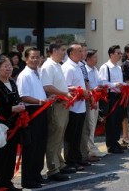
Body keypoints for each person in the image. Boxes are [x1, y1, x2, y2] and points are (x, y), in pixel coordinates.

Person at [0, 56, 26, 191]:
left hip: (15, 124)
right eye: (5, 66)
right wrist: (12, 109)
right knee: (1, 154)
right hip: (1, 125)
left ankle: (8, 181)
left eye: (10, 66)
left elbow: (17, 98)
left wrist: (19, 106)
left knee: (11, 153)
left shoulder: (12, 82)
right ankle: (1, 183)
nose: (9, 69)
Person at [41, 42, 75, 181]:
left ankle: (60, 164)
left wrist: (68, 91)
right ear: (53, 51)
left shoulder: (57, 65)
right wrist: (64, 93)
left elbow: (58, 85)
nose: (64, 53)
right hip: (56, 105)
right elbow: (47, 86)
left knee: (59, 137)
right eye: (62, 50)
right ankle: (53, 169)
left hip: (63, 104)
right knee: (54, 138)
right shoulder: (48, 66)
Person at [17, 47, 49, 188]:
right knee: (31, 146)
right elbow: (23, 96)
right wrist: (39, 101)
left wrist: (47, 98)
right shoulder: (25, 75)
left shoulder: (38, 73)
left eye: (38, 57)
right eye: (33, 57)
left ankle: (37, 174)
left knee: (40, 145)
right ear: (26, 59)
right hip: (32, 112)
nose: (36, 60)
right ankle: (28, 179)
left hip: (41, 110)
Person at [62, 43, 88, 170]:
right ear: (71, 54)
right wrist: (78, 91)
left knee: (78, 134)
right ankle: (70, 161)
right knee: (71, 135)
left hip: (81, 105)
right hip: (72, 107)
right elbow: (65, 87)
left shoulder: (79, 66)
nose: (82, 53)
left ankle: (78, 158)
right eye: (79, 51)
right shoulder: (68, 67)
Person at [98, 45, 126, 154]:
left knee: (118, 120)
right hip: (111, 97)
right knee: (111, 121)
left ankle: (115, 141)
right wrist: (115, 84)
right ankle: (110, 145)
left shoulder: (119, 67)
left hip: (120, 97)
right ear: (111, 54)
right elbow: (102, 83)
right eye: (118, 53)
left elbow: (121, 82)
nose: (120, 55)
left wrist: (125, 85)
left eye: (120, 53)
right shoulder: (105, 67)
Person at [80, 49, 105, 163]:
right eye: (94, 57)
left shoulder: (95, 69)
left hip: (97, 98)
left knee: (93, 123)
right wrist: (94, 90)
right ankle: (90, 149)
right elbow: (87, 86)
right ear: (88, 59)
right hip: (90, 99)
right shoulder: (85, 70)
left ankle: (92, 147)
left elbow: (99, 82)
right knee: (89, 124)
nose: (96, 59)